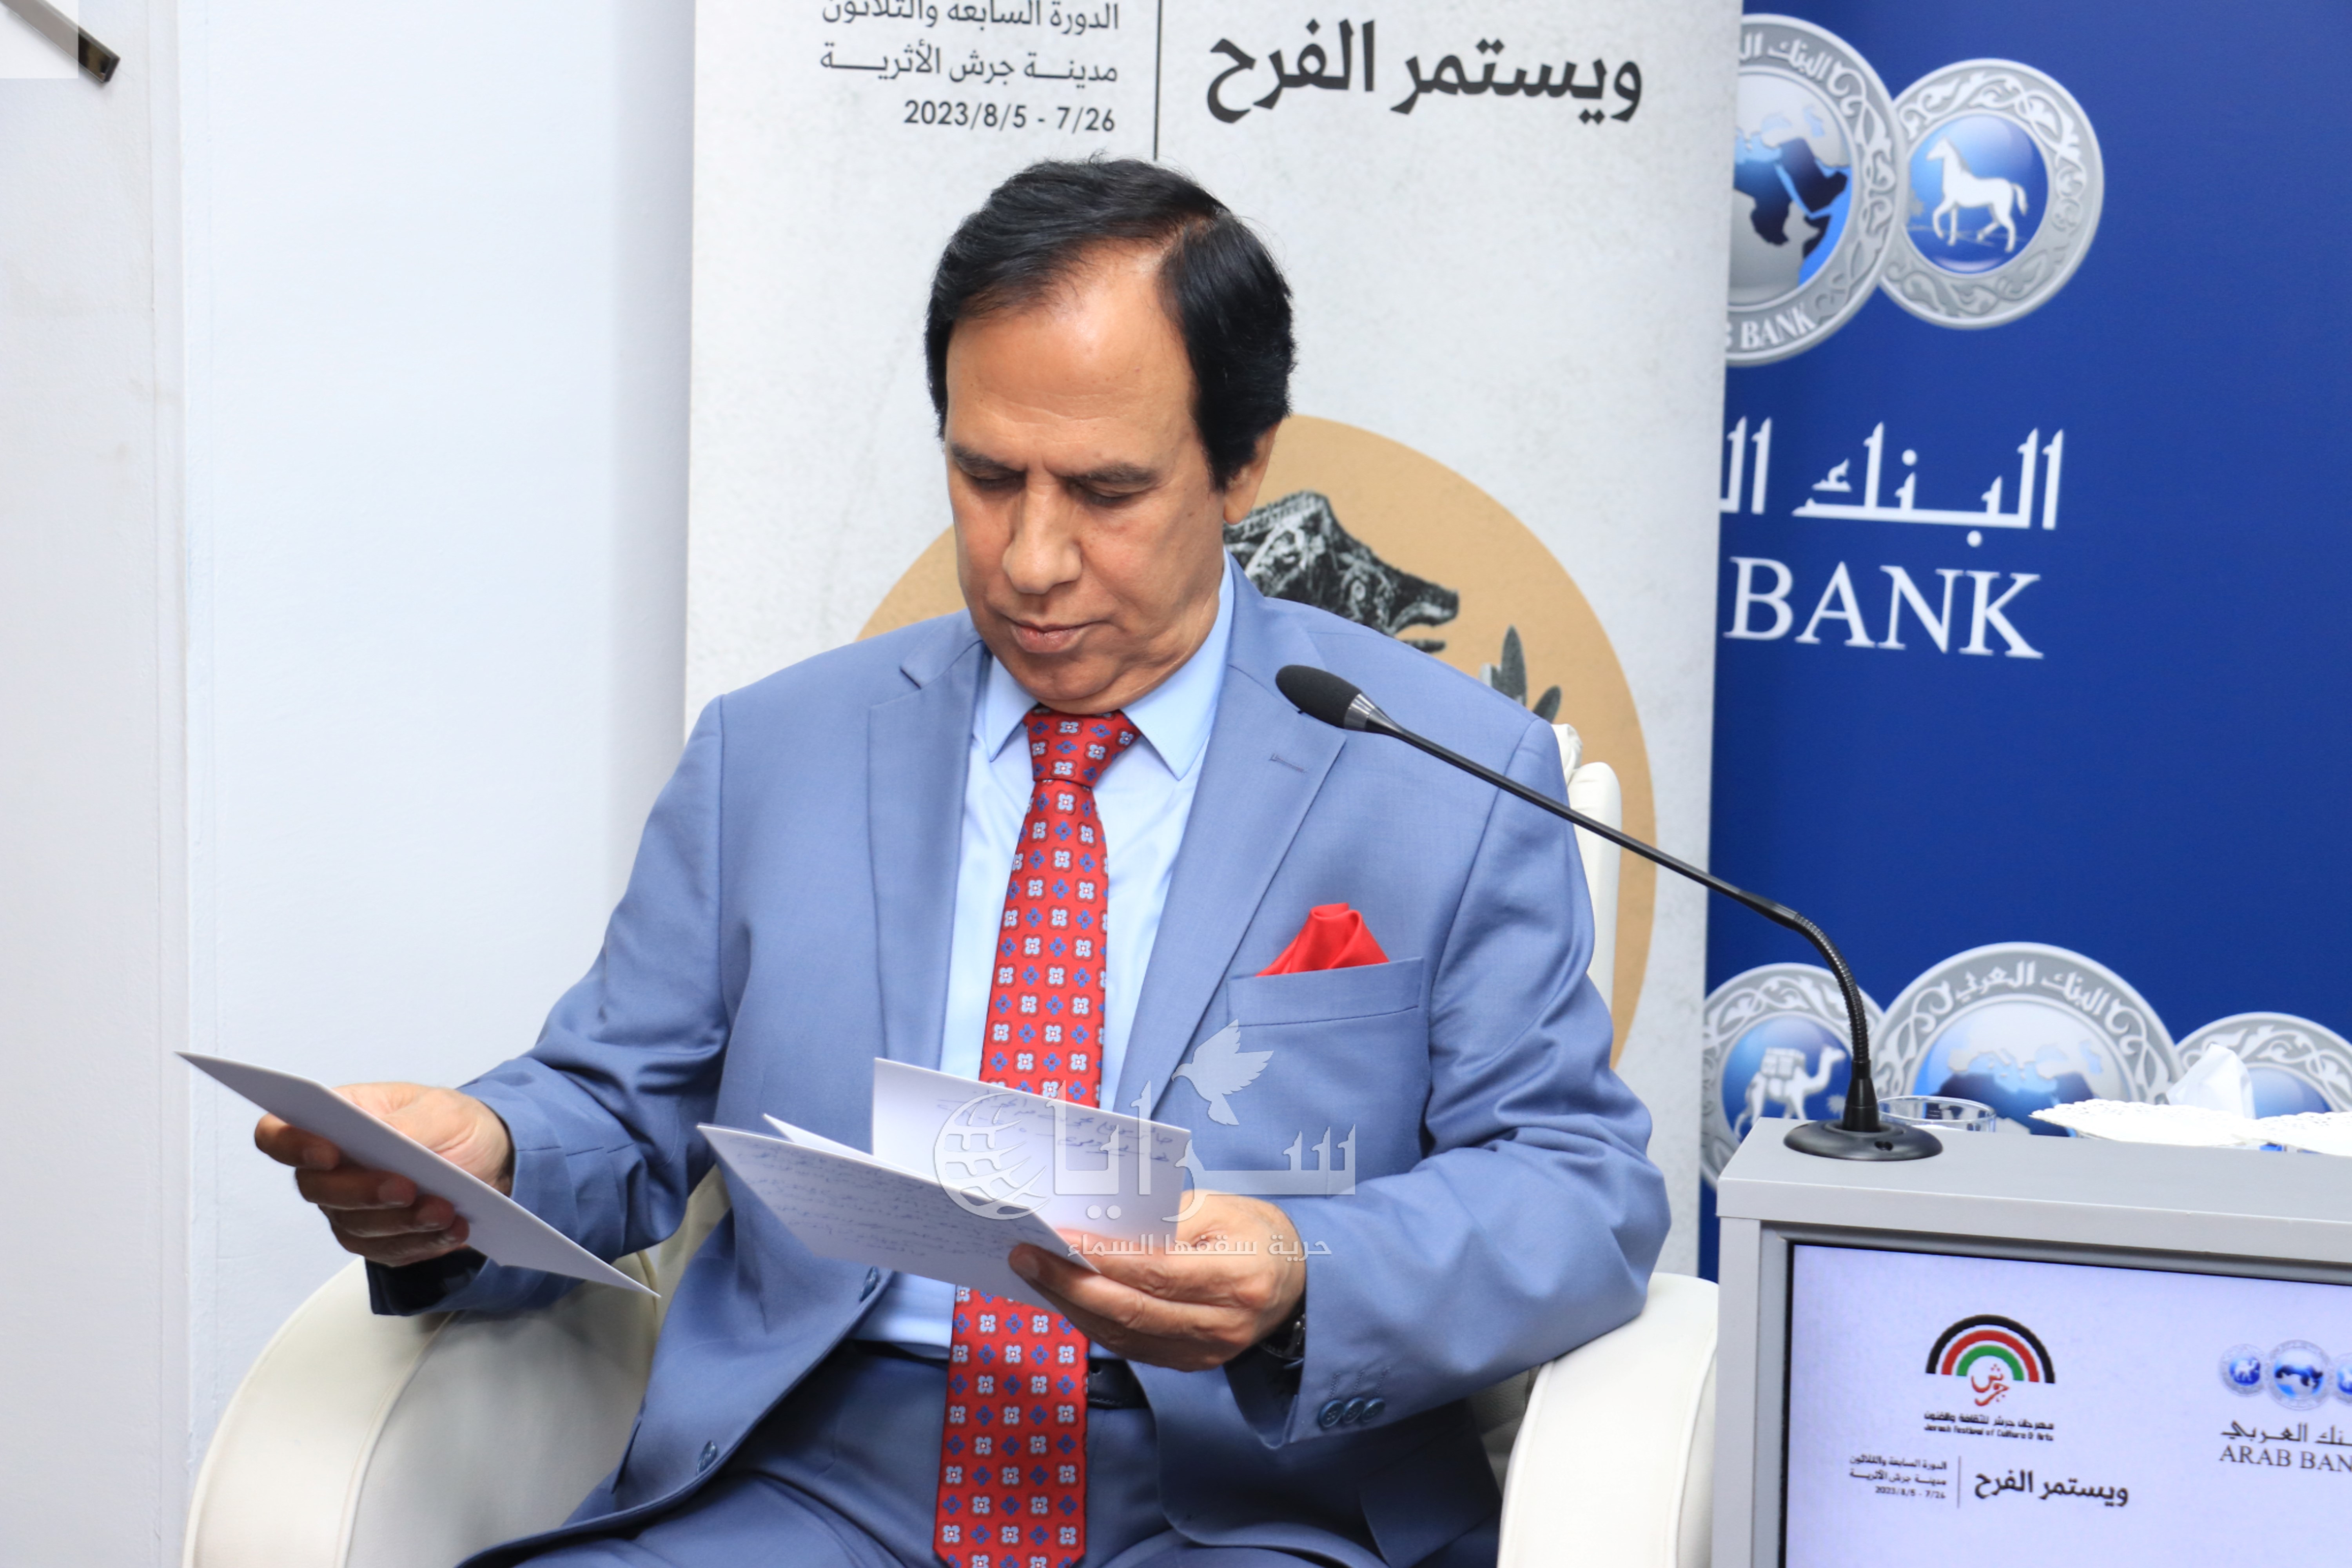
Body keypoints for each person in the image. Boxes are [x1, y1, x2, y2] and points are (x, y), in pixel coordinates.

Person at [256, 158, 1667, 1568]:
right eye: (987, 478)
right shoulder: (775, 752)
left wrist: (1308, 1273)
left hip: (1243, 1500)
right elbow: (617, 1107)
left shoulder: (1442, 774)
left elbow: (1577, 1189)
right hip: (808, 1481)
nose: (1032, 559)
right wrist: (480, 1158)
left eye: (1106, 491)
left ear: (1242, 463)